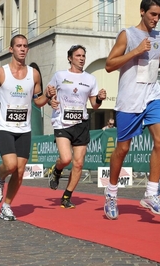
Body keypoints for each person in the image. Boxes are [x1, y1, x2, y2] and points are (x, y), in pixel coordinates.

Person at [103, 0, 160, 220]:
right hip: (130, 99)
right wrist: (136, 50)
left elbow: (148, 65)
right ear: (142, 12)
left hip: (152, 95)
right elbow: (109, 65)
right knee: (123, 149)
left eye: (159, 15)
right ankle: (111, 194)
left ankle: (151, 194)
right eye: (152, 14)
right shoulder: (127, 35)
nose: (156, 18)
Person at [0, 34, 55, 221]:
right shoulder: (1, 73)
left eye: (25, 46)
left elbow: (37, 102)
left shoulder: (34, 74)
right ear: (11, 49)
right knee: (11, 165)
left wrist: (46, 96)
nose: (22, 49)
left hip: (24, 128)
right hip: (5, 126)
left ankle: (6, 206)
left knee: (20, 172)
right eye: (19, 46)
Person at [47, 44, 107, 209]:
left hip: (81, 123)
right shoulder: (60, 75)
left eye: (83, 56)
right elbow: (49, 93)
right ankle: (57, 170)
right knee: (66, 159)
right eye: (78, 56)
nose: (81, 59)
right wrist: (50, 99)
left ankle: (66, 196)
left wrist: (100, 98)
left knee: (79, 163)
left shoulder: (90, 79)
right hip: (62, 122)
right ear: (70, 58)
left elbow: (94, 105)